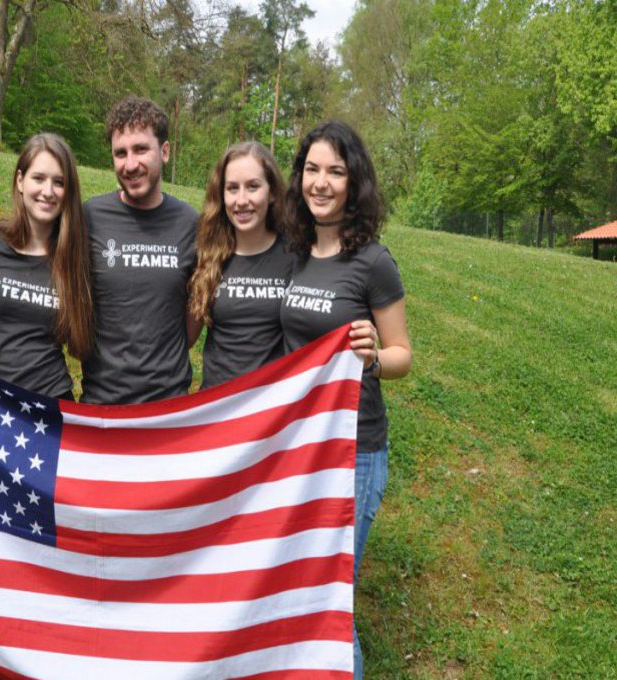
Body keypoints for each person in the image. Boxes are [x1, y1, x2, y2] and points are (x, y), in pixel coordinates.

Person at [279, 121, 413, 679]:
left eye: (335, 171)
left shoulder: (373, 261)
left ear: (353, 182)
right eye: (313, 169)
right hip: (297, 450)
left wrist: (374, 357)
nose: (322, 182)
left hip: (355, 450)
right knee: (293, 587)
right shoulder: (293, 252)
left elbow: (405, 353)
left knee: (329, 598)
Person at [81, 96, 198, 405]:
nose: (130, 165)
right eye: (120, 153)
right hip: (101, 407)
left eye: (141, 149)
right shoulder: (89, 217)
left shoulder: (190, 223)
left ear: (165, 151)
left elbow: (193, 321)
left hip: (168, 409)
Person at [0, 133, 94, 400]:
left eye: (59, 182)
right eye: (39, 178)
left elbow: (81, 345)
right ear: (20, 180)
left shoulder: (75, 258)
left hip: (47, 406)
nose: (48, 192)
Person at [186, 141, 295, 388]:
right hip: (219, 410)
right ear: (221, 194)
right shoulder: (210, 255)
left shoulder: (296, 255)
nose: (242, 200)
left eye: (253, 187)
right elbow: (186, 338)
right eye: (232, 188)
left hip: (273, 412)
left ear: (273, 192)